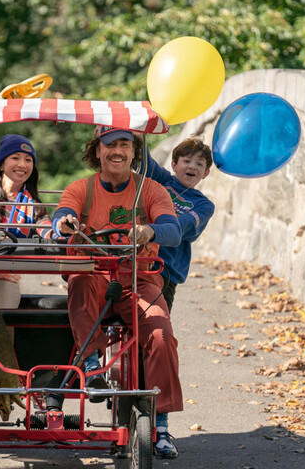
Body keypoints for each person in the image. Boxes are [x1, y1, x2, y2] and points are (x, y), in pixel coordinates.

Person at [51, 125, 183, 459]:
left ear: (135, 151)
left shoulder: (151, 190)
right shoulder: (82, 188)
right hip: (93, 274)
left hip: (136, 277)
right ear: (97, 151)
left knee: (162, 334)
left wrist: (150, 230)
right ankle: (93, 367)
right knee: (79, 281)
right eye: (110, 145)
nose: (117, 151)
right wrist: (65, 223)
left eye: (125, 145)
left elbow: (173, 230)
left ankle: (161, 424)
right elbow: (62, 214)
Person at [0, 134, 52, 310]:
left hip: (4, 277)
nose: (22, 164)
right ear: (1, 164)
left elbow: (48, 229)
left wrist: (62, 229)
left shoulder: (33, 206)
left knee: (3, 318)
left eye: (28, 160)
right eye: (15, 158)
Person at [141, 137, 215, 312]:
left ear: (206, 173)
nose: (192, 166)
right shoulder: (163, 180)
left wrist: (152, 230)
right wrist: (139, 136)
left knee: (157, 322)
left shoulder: (204, 206)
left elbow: (180, 226)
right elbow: (144, 160)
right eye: (187, 161)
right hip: (137, 261)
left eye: (199, 164)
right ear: (174, 165)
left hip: (165, 271)